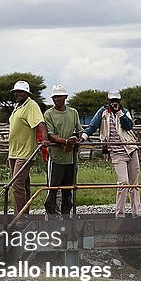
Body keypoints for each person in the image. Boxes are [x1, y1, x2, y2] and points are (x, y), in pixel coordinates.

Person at [82, 91, 141, 218]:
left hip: (130, 148)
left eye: (117, 101)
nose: (114, 103)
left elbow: (129, 126)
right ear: (108, 101)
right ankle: (119, 214)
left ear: (120, 101)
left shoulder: (124, 112)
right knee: (123, 182)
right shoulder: (103, 113)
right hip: (116, 152)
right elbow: (92, 126)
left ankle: (137, 213)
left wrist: (119, 113)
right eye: (112, 100)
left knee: (134, 184)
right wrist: (83, 137)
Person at [7, 80, 48, 224]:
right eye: (15, 92)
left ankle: (21, 218)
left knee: (16, 184)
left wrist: (45, 139)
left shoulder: (31, 105)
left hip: (25, 152)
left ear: (26, 93)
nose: (17, 94)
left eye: (20, 92)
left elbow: (40, 123)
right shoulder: (17, 107)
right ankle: (23, 214)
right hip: (14, 151)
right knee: (23, 184)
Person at [43, 84, 83, 220]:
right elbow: (50, 135)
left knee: (68, 190)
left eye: (59, 97)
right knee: (52, 189)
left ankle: (66, 216)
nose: (56, 100)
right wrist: (65, 142)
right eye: (54, 97)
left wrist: (75, 140)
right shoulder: (49, 114)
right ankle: (51, 216)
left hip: (71, 159)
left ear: (65, 97)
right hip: (56, 157)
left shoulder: (73, 112)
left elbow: (79, 130)